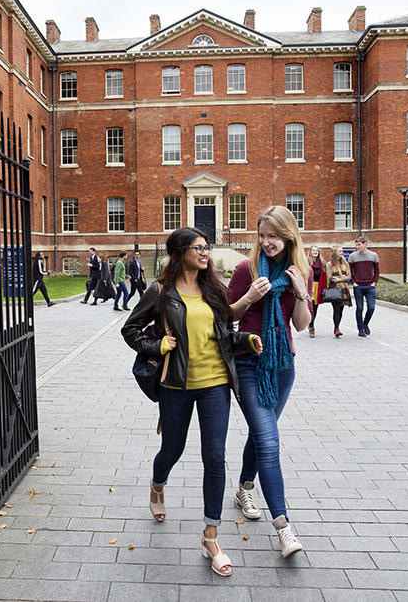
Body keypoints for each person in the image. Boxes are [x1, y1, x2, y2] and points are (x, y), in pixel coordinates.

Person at [121, 227, 262, 577]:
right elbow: (130, 329)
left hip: (215, 382)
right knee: (172, 448)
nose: (205, 253)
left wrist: (245, 340)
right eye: (198, 247)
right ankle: (158, 484)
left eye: (207, 247)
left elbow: (225, 331)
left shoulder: (214, 288)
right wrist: (157, 347)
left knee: (215, 456)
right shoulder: (160, 291)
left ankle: (211, 536)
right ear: (180, 251)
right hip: (176, 384)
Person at [227, 205, 312, 558]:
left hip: (282, 366)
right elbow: (225, 316)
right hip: (249, 363)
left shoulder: (297, 272)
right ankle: (283, 526)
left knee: (263, 434)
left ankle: (245, 486)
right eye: (262, 236)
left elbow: (303, 325)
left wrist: (301, 291)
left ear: (288, 236)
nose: (267, 243)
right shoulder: (246, 269)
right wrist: (251, 297)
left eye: (273, 237)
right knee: (269, 440)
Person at [348, 236, 379, 337]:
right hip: (358, 286)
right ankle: (360, 328)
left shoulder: (373, 255)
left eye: (359, 245)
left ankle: (365, 324)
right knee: (359, 308)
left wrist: (374, 282)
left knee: (371, 307)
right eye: (356, 245)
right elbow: (350, 271)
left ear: (365, 244)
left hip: (370, 286)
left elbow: (377, 271)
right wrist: (354, 283)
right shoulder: (353, 256)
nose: (357, 247)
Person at [326, 245, 352, 337]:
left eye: (342, 251)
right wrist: (342, 278)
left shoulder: (346, 264)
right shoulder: (329, 264)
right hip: (335, 288)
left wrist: (339, 279)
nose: (342, 253)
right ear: (335, 253)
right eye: (340, 251)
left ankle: (337, 326)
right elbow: (330, 277)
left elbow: (349, 276)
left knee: (341, 309)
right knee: (336, 309)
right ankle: (336, 328)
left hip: (344, 288)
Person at [306, 246, 326, 338]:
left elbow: (325, 276)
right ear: (310, 252)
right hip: (309, 287)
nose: (315, 252)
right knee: (310, 307)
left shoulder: (322, 263)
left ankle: (311, 325)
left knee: (315, 308)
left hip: (318, 287)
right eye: (313, 250)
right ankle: (311, 326)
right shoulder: (306, 262)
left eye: (317, 250)